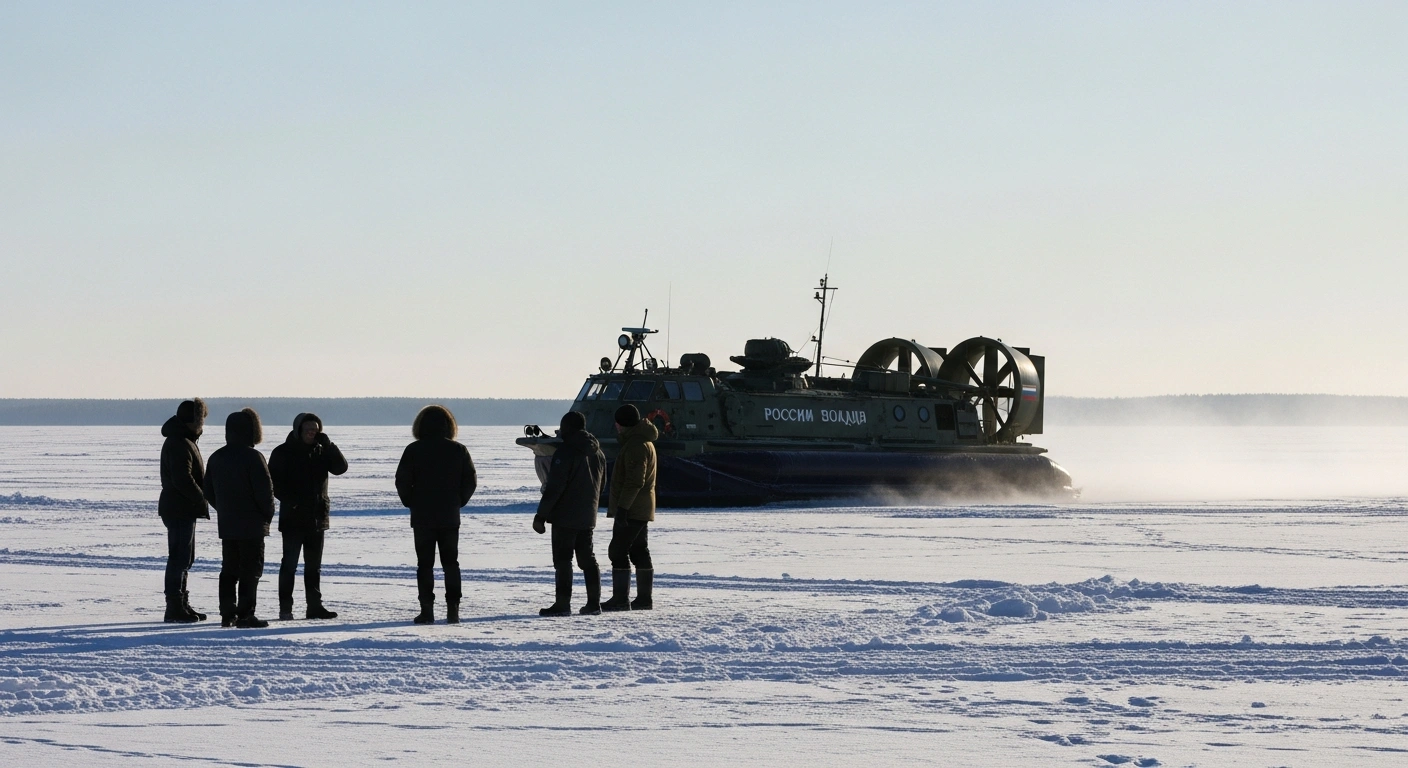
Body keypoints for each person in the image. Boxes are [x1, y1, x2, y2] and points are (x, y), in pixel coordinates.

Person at [395, 405, 477, 625]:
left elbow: (402, 481)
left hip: (422, 516)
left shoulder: (413, 450)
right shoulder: (458, 450)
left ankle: (427, 611)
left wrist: (412, 502)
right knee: (451, 563)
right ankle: (453, 611)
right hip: (449, 515)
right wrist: (457, 502)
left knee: (425, 564)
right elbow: (470, 481)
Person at [269, 413, 348, 621]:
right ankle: (286, 608)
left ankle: (314, 607)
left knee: (314, 567)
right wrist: (292, 502)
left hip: (317, 518)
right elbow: (274, 484)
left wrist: (329, 446)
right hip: (293, 519)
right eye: (308, 430)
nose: (312, 433)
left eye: (315, 430)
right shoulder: (282, 452)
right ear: (298, 430)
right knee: (289, 565)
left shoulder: (322, 451)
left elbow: (341, 468)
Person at [203, 408, 275, 628]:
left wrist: (224, 509)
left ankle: (227, 613)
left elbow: (208, 491)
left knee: (230, 569)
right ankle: (245, 614)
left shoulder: (217, 457)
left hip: (228, 523)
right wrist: (266, 515)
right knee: (250, 571)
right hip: (252, 525)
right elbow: (265, 492)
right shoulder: (253, 457)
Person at [532, 411, 606, 616]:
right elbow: (602, 486)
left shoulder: (565, 452)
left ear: (567, 428)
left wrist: (541, 515)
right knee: (587, 559)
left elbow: (555, 487)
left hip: (565, 516)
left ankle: (563, 604)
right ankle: (594, 604)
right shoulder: (598, 453)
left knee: (563, 560)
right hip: (587, 515)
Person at [600, 404, 658, 612]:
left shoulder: (636, 446)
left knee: (617, 550)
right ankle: (643, 599)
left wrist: (622, 509)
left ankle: (621, 599)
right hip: (641, 507)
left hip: (633, 508)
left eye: (617, 422)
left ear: (622, 424)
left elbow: (635, 481)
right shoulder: (642, 441)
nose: (615, 426)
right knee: (638, 549)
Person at [158, 398, 210, 623]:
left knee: (186, 558)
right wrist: (201, 498)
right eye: (201, 419)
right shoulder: (179, 442)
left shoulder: (185, 440)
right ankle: (174, 607)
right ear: (192, 420)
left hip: (183, 508)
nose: (203, 424)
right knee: (179, 557)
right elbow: (183, 479)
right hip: (179, 507)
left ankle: (182, 603)